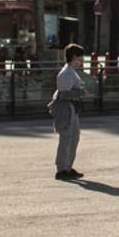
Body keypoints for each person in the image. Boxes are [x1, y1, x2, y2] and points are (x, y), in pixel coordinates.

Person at [48, 43, 88, 180]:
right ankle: (61, 168)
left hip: (71, 108)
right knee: (66, 138)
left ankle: (67, 166)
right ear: (74, 57)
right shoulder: (66, 73)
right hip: (66, 108)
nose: (81, 61)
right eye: (80, 58)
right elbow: (64, 94)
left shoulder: (70, 71)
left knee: (73, 137)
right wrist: (80, 92)